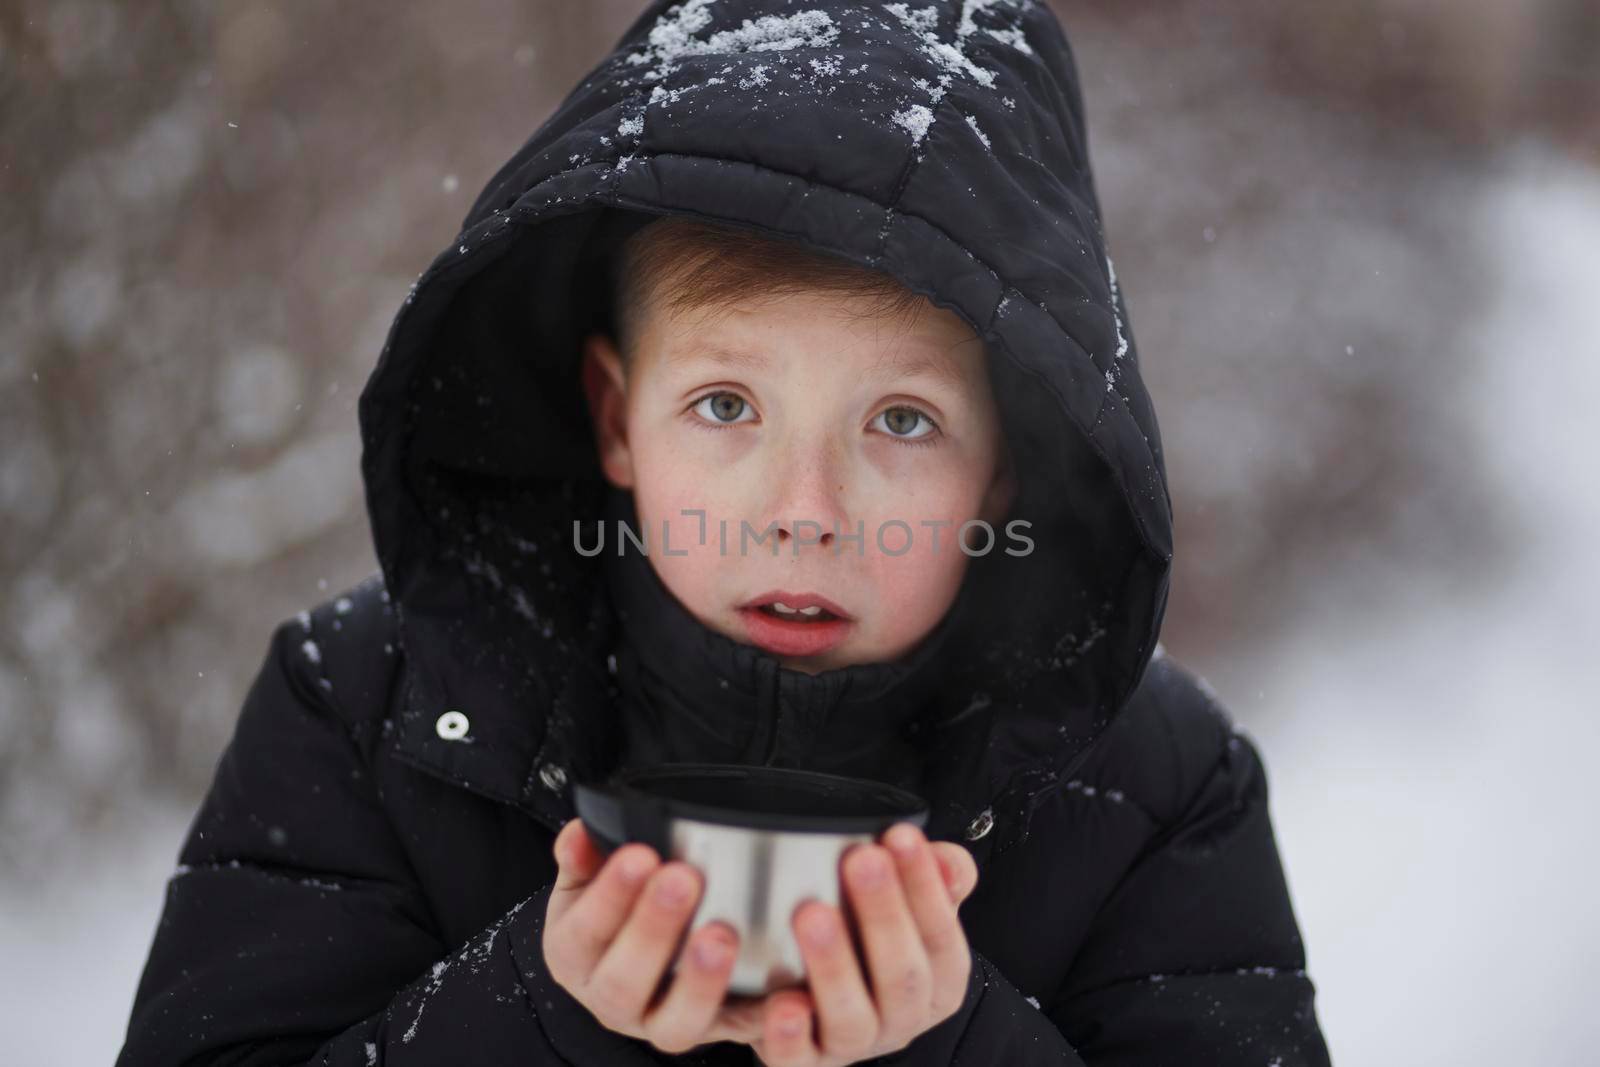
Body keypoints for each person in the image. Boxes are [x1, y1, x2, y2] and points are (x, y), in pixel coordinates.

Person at [115, 2, 1333, 1064]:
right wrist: (536, 1019)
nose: (804, 509)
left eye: (901, 419)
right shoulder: (371, 711)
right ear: (617, 418)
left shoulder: (1156, 785)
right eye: (726, 405)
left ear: (1002, 469)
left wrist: (950, 1045)